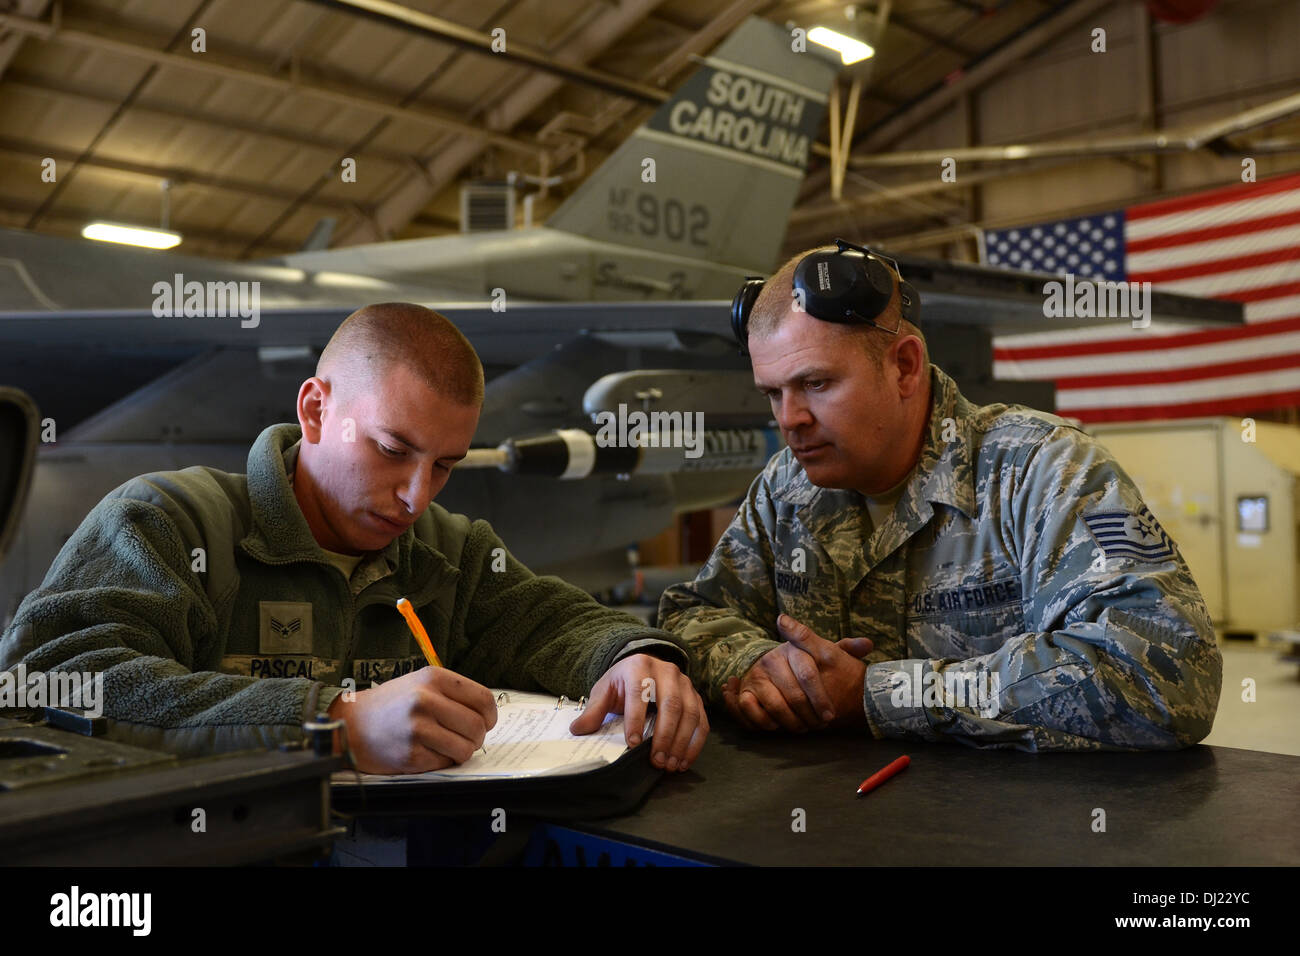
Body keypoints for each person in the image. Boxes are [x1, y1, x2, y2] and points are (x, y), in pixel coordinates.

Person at [0, 303, 707, 773]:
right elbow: (48, 683)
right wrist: (333, 723)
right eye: (393, 449)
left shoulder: (445, 552)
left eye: (445, 466)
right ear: (315, 410)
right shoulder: (168, 523)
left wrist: (632, 657)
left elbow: (553, 621)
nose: (415, 495)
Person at [659, 242, 1222, 752]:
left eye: (816, 384)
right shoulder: (787, 488)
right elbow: (694, 616)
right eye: (773, 393)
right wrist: (758, 666)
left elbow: (1166, 675)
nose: (791, 420)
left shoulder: (1041, 469)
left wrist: (879, 695)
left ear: (904, 365)